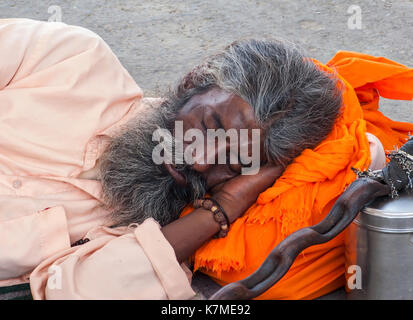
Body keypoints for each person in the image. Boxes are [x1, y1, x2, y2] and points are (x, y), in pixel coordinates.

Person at [0, 18, 411, 300]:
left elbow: (68, 292)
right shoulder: (72, 60)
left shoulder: (140, 241)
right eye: (210, 124)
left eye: (233, 164)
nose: (199, 161)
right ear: (194, 82)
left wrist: (221, 211)